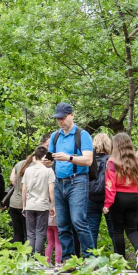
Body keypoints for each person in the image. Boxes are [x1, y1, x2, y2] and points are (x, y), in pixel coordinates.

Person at [48, 102, 95, 260]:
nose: (60, 121)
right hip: (59, 182)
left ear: (72, 115)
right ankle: (68, 260)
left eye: (63, 118)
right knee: (62, 225)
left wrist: (68, 158)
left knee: (78, 221)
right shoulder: (55, 136)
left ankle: (90, 258)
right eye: (58, 119)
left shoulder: (82, 135)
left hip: (77, 181)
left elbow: (88, 160)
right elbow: (50, 159)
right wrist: (46, 161)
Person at [102, 132, 138, 272]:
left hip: (118, 198)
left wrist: (107, 204)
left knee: (117, 231)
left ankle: (121, 262)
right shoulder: (137, 163)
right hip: (133, 198)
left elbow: (110, 185)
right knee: (132, 229)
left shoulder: (112, 162)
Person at [21, 145, 55, 255]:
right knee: (40, 232)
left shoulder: (28, 171)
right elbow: (51, 190)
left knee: (30, 233)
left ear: (35, 156)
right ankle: (37, 257)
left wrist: (24, 206)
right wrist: (52, 206)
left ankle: (30, 257)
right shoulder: (48, 171)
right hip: (43, 205)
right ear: (45, 156)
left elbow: (24, 190)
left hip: (30, 205)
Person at [88, 133, 116, 251]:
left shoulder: (88, 160)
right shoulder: (112, 161)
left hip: (91, 197)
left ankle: (91, 260)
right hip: (109, 199)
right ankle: (119, 258)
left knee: (92, 231)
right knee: (114, 231)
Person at [6, 150, 30, 244]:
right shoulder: (33, 167)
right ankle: (28, 255)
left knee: (17, 233)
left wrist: (18, 186)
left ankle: (14, 255)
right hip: (25, 204)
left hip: (13, 203)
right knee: (28, 233)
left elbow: (12, 180)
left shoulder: (18, 164)